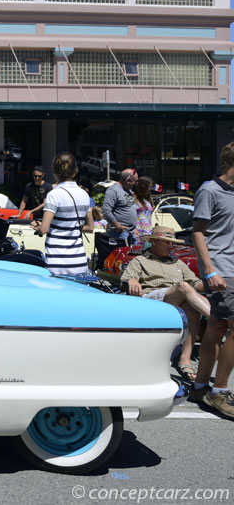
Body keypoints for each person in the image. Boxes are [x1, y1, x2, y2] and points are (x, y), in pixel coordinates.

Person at [125, 225, 209, 381]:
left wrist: (214, 282)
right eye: (167, 242)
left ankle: (185, 358)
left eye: (172, 243)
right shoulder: (140, 260)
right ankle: (216, 317)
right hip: (152, 299)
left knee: (191, 308)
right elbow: (127, 279)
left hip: (176, 298)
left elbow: (196, 283)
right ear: (154, 242)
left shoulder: (178, 263)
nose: (171, 246)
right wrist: (132, 279)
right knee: (184, 286)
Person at [189, 142, 234, 418]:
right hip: (221, 269)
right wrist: (209, 270)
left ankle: (200, 386)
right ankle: (219, 391)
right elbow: (197, 232)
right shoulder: (210, 189)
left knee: (217, 327)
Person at [32, 152, 94, 276]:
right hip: (79, 260)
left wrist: (37, 227)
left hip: (57, 260)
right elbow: (90, 228)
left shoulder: (54, 195)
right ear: (75, 171)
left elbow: (44, 229)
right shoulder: (84, 194)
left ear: (54, 172)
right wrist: (73, 226)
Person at [103, 169, 138, 242]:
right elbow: (106, 211)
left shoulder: (128, 190)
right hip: (119, 233)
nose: (136, 184)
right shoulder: (113, 190)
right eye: (135, 181)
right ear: (128, 180)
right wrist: (117, 225)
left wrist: (135, 228)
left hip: (131, 232)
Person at [133, 175, 154, 239]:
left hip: (148, 232)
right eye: (149, 187)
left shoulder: (148, 199)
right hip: (138, 232)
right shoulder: (133, 198)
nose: (150, 189)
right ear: (143, 187)